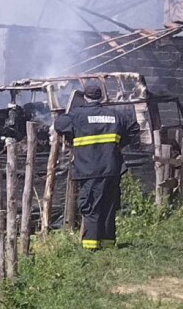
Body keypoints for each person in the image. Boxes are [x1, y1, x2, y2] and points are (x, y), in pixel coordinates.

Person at [54, 83, 140, 251]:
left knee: (91, 207)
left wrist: (72, 135)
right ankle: (108, 244)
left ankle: (90, 247)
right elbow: (134, 128)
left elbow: (59, 124)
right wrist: (119, 144)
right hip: (112, 168)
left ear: (84, 97)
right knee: (109, 206)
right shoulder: (115, 115)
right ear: (101, 97)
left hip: (89, 169)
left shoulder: (77, 115)